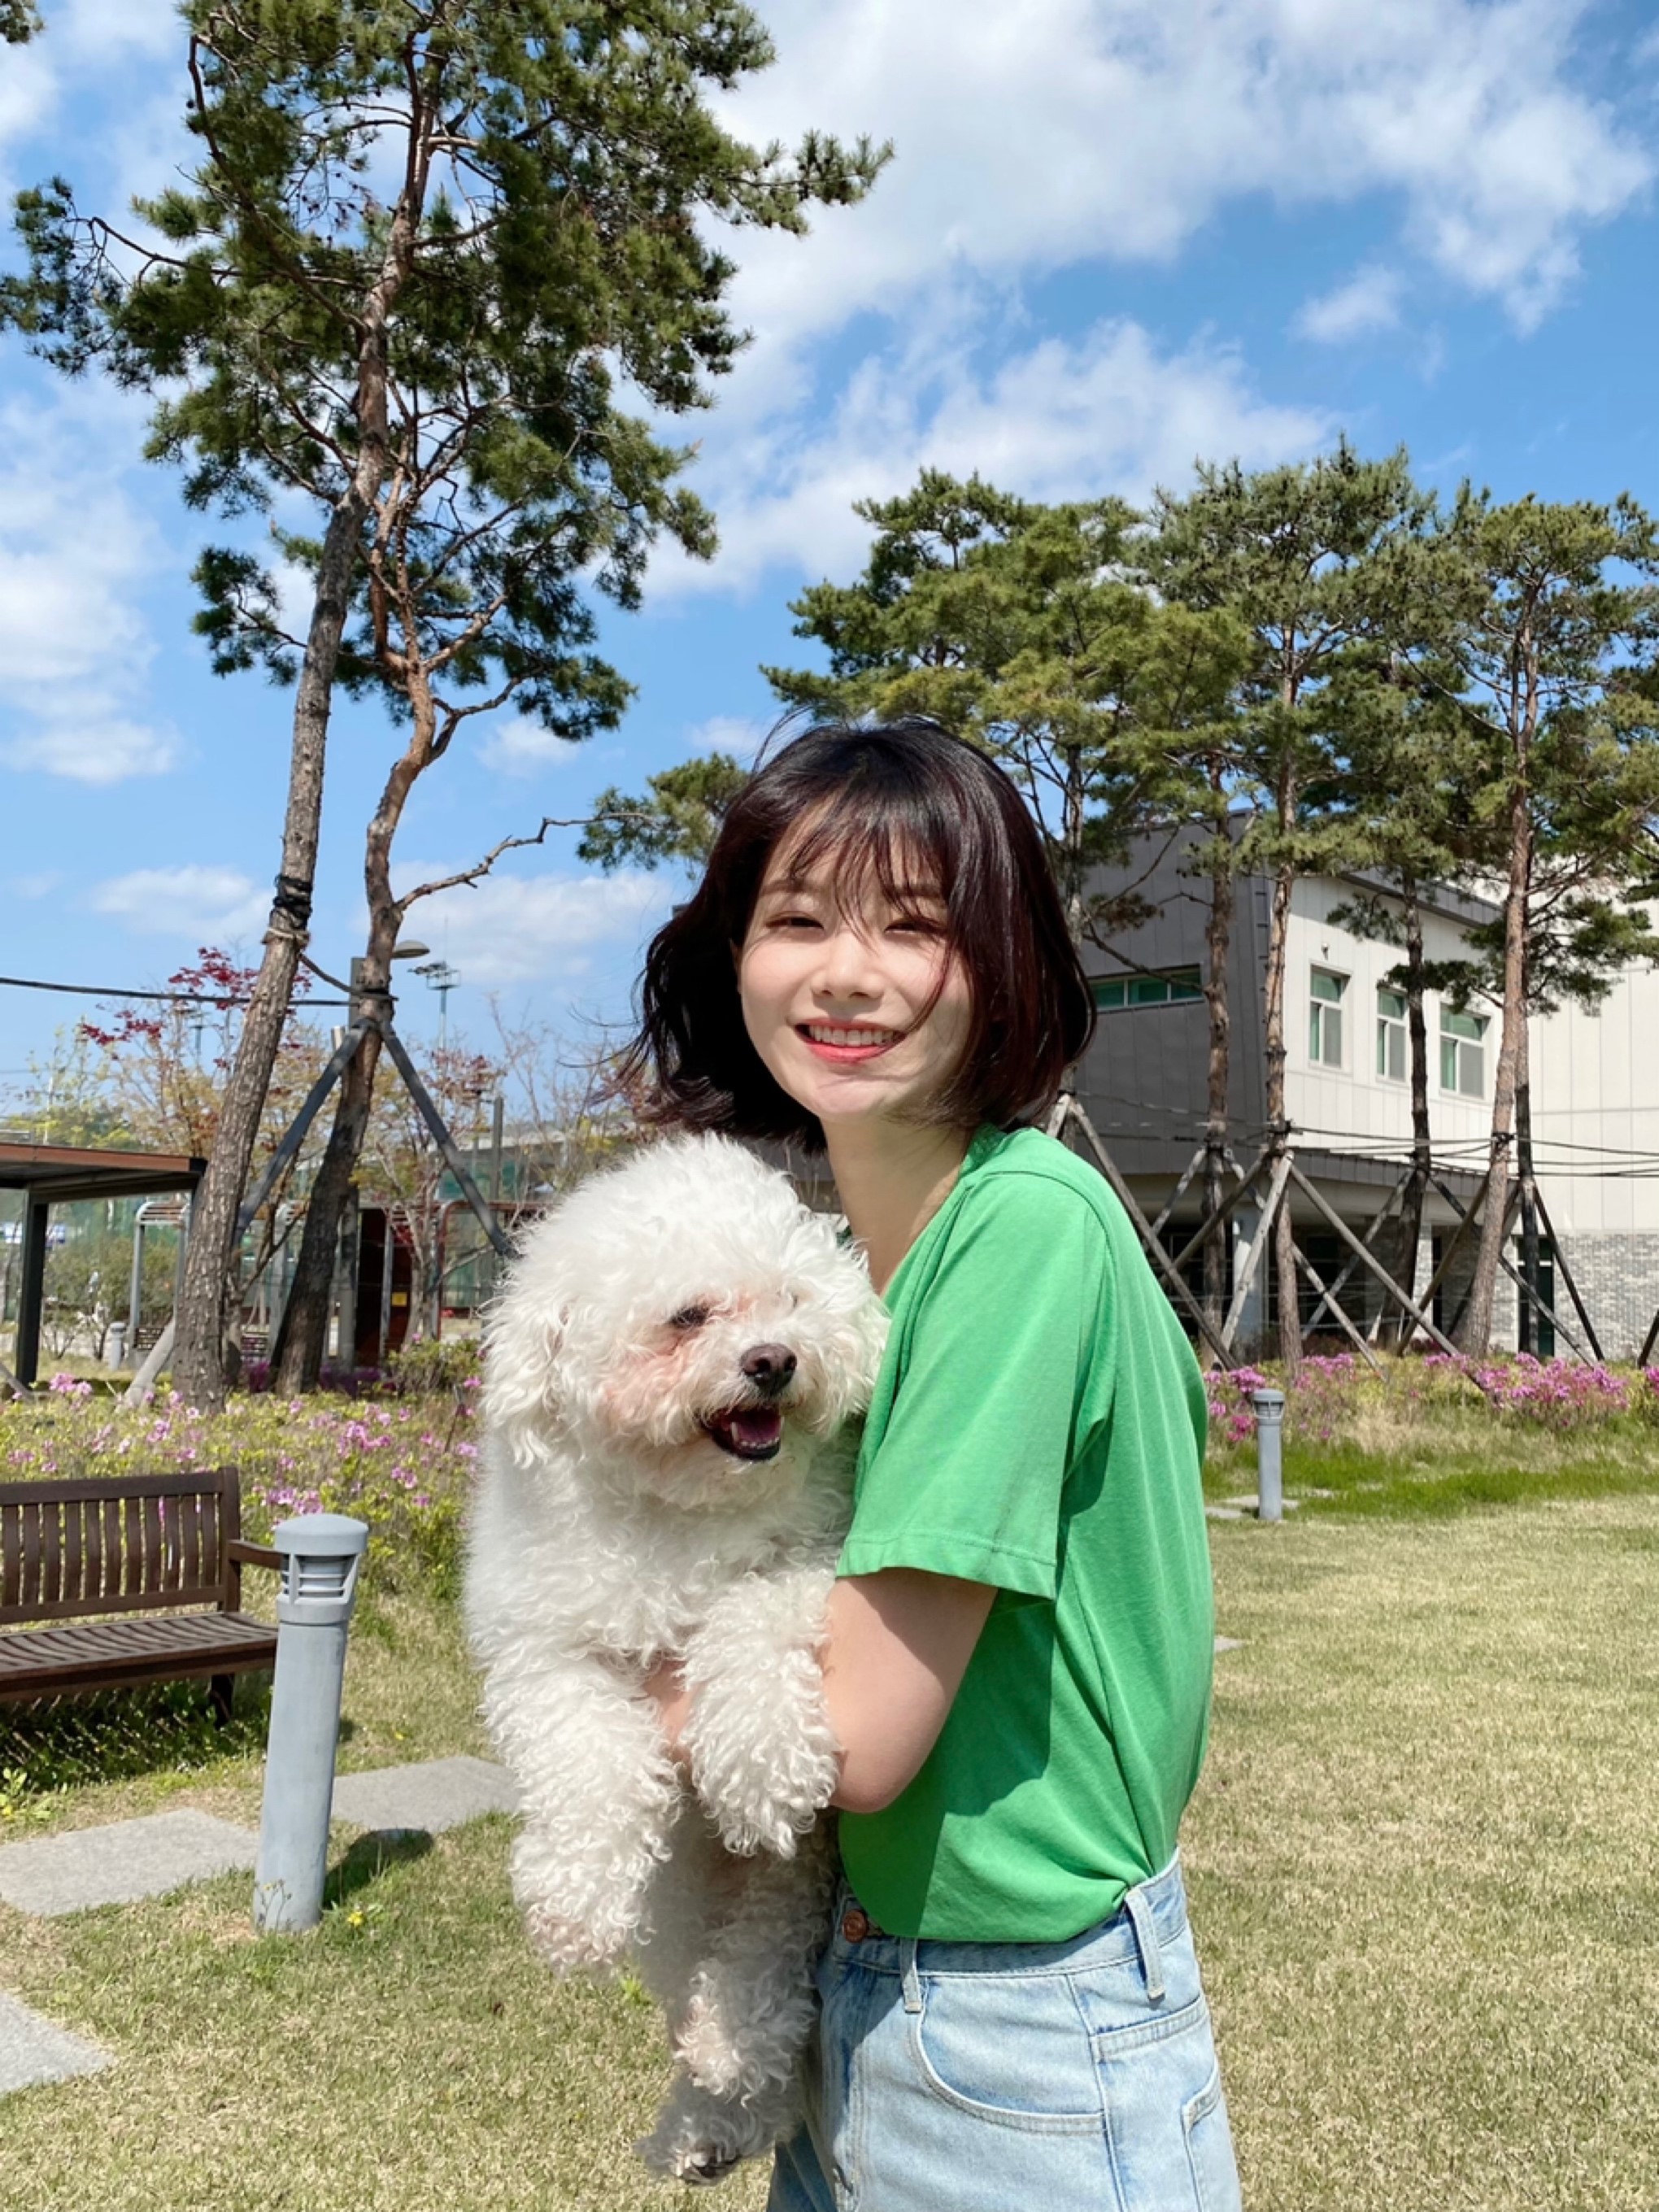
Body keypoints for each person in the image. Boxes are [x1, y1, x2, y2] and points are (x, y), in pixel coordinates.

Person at [628, 719, 1242, 2212]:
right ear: (733, 958)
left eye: (914, 925)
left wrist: (587, 1681)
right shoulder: (857, 1278)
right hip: (880, 1978)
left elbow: (852, 1736)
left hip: (1014, 2030)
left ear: (1005, 960)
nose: (847, 974)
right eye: (796, 920)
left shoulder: (1020, 1231)